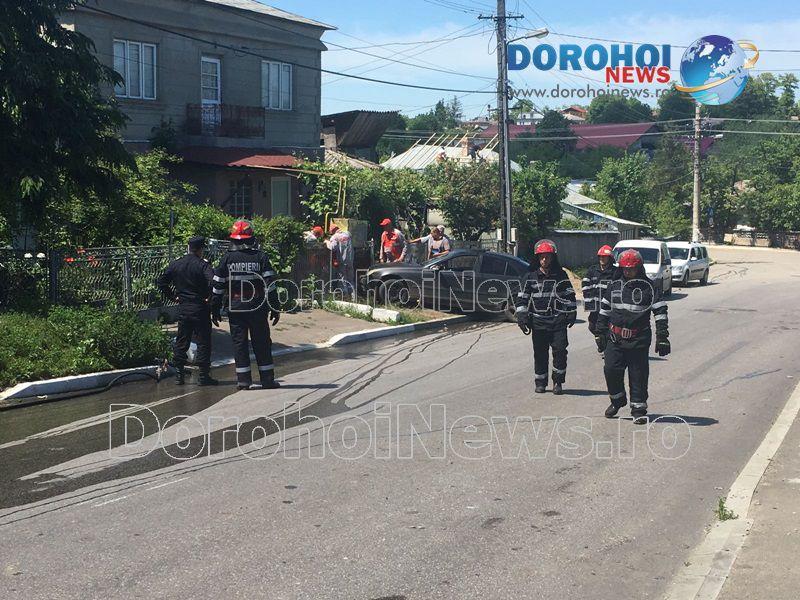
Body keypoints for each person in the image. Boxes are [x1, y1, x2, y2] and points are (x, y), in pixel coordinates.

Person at [595, 249, 670, 424]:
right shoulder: (614, 286)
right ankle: (617, 400)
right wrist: (600, 332)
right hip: (615, 338)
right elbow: (604, 310)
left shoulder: (649, 287)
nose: (628, 272)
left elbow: (660, 312)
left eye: (632, 269)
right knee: (611, 370)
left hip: (638, 339)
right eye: (625, 269)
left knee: (638, 375)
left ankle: (638, 409)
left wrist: (662, 337)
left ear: (639, 268)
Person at [212, 220, 281, 391]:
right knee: (262, 343)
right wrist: (275, 306)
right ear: (251, 238)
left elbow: (218, 286)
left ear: (233, 239)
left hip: (236, 307)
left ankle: (243, 381)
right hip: (257, 306)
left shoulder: (227, 259)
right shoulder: (260, 257)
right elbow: (270, 285)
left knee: (239, 344)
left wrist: (214, 309)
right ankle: (267, 380)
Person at [515, 239, 577, 395]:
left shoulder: (561, 275)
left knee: (560, 352)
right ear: (537, 258)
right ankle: (541, 382)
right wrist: (522, 317)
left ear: (552, 258)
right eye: (541, 257)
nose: (544, 259)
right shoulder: (530, 276)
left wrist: (571, 312)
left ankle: (558, 382)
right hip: (538, 322)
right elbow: (522, 298)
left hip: (558, 320)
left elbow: (569, 295)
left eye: (547, 256)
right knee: (540, 354)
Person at [156, 236, 217, 386]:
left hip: (183, 307)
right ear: (201, 249)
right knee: (203, 342)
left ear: (188, 248)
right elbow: (213, 281)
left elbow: (161, 282)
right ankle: (203, 376)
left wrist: (173, 296)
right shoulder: (203, 265)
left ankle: (179, 375)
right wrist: (209, 297)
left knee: (182, 341)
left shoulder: (177, 264)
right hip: (200, 307)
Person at [582, 244, 617, 335]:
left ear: (610, 258)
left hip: (609, 308)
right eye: (600, 256)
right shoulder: (592, 270)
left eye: (604, 257)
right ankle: (600, 339)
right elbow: (585, 285)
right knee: (592, 327)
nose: (602, 258)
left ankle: (606, 340)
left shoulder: (616, 272)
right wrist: (589, 303)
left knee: (607, 329)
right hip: (595, 308)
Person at [326, 224, 355, 299]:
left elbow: (332, 248)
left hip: (342, 260)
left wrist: (327, 242)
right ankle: (353, 296)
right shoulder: (348, 234)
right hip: (350, 260)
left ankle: (345, 296)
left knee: (342, 279)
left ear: (332, 231)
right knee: (350, 279)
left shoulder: (334, 237)